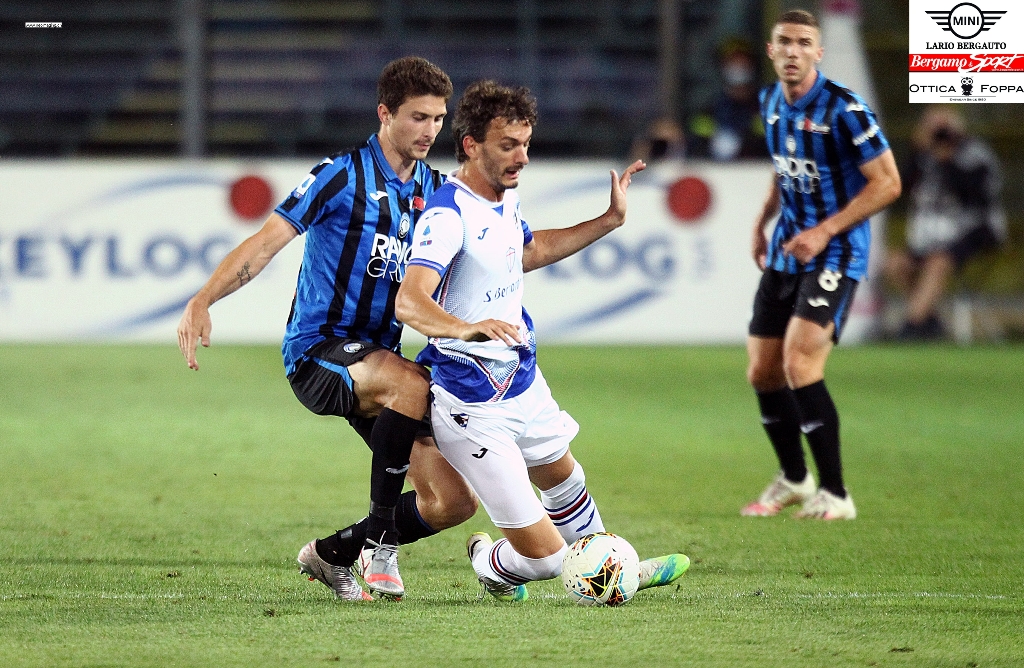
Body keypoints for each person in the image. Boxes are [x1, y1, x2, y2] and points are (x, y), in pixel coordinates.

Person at [176, 56, 478, 601]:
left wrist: (601, 223)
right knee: (412, 382)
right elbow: (266, 242)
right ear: (385, 114)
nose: (431, 131)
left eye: (438, 118)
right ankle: (381, 547)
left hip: (382, 365)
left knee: (451, 502)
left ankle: (332, 554)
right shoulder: (341, 175)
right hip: (319, 352)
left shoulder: (438, 190)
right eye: (418, 117)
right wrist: (203, 298)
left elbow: (509, 248)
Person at [395, 80, 689, 601]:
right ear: (471, 145)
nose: (522, 157)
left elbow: (528, 250)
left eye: (526, 144)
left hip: (522, 380)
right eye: (508, 145)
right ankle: (494, 562)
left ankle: (614, 565)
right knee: (552, 559)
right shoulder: (447, 214)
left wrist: (609, 220)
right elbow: (409, 302)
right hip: (471, 402)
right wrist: (467, 327)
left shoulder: (503, 198)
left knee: (564, 478)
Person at [741, 10, 901, 520]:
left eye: (803, 42)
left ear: (818, 51)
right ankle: (793, 477)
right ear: (771, 50)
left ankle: (835, 492)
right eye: (784, 42)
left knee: (800, 361)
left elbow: (888, 182)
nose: (792, 51)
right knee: (762, 371)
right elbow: (782, 170)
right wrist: (762, 222)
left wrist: (825, 230)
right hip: (790, 247)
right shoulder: (769, 101)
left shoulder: (846, 109)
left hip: (835, 251)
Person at [884, 106, 1006, 340]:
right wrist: (918, 150)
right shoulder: (924, 155)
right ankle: (929, 321)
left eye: (943, 126)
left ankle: (910, 327)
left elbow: (977, 197)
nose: (939, 133)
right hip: (931, 235)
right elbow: (902, 189)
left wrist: (949, 158)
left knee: (938, 262)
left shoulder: (974, 153)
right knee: (894, 264)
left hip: (972, 231)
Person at [688, 39, 768, 161]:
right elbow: (695, 152)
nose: (738, 68)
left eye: (743, 64)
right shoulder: (707, 113)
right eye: (732, 63)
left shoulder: (768, 110)